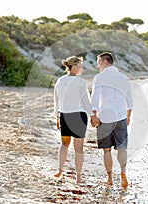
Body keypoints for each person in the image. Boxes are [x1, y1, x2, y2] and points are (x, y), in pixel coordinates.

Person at [91, 52, 133, 189]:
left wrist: (94, 116)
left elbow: (95, 99)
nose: (97, 65)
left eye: (98, 62)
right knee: (122, 147)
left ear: (105, 62)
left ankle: (109, 179)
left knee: (107, 150)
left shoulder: (99, 78)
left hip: (105, 118)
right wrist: (128, 115)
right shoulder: (123, 77)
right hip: (120, 116)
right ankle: (123, 172)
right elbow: (129, 100)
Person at [53, 55, 98, 184]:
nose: (82, 68)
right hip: (78, 116)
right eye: (80, 65)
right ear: (73, 67)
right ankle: (78, 177)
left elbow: (57, 101)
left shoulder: (60, 81)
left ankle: (60, 170)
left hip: (64, 116)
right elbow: (86, 101)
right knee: (78, 148)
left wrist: (57, 117)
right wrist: (92, 116)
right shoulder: (80, 82)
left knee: (64, 144)